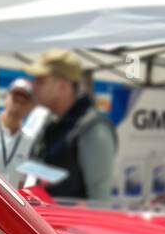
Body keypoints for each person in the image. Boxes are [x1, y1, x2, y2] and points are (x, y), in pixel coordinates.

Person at [26, 49, 117, 199]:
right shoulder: (52, 122)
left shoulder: (93, 128)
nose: (33, 86)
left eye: (40, 81)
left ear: (63, 86)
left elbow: (99, 200)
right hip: (46, 220)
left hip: (72, 222)